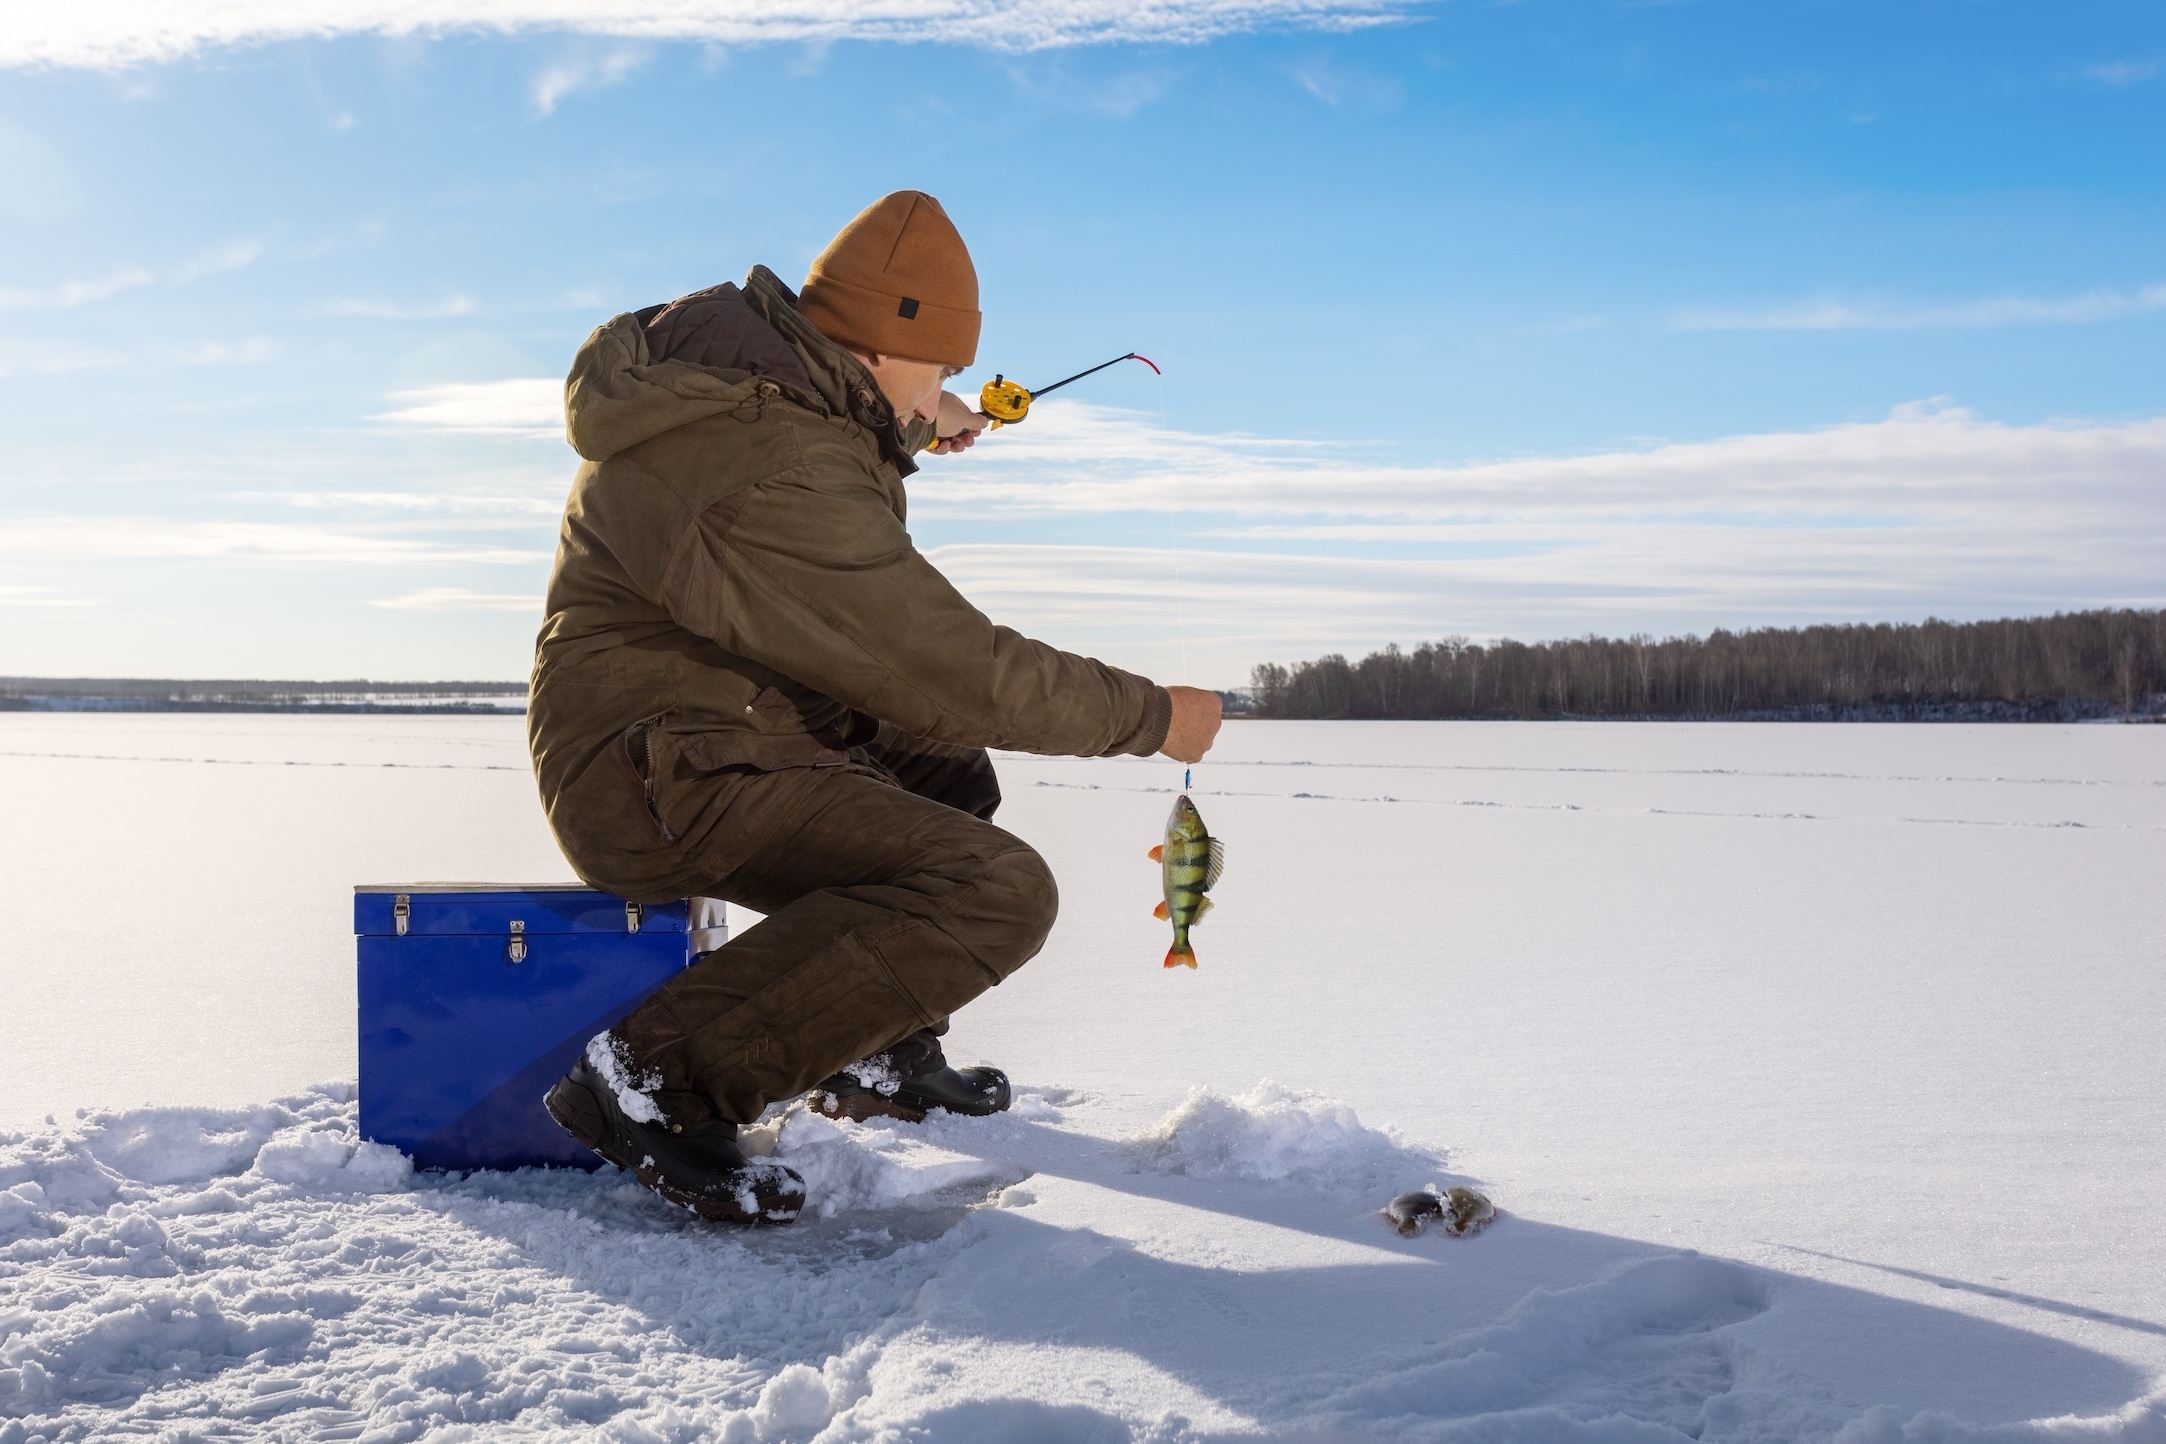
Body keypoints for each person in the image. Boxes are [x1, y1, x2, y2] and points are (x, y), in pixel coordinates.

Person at [527, 190, 1223, 1223]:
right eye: (940, 368)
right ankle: (658, 1077)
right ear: (881, 344)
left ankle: (871, 1047)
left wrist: (896, 421)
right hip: (656, 775)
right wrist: (1153, 715)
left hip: (697, 729)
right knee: (993, 889)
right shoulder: (773, 463)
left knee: (947, 765)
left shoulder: (755, 397)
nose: (951, 391)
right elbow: (948, 664)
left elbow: (828, 494)